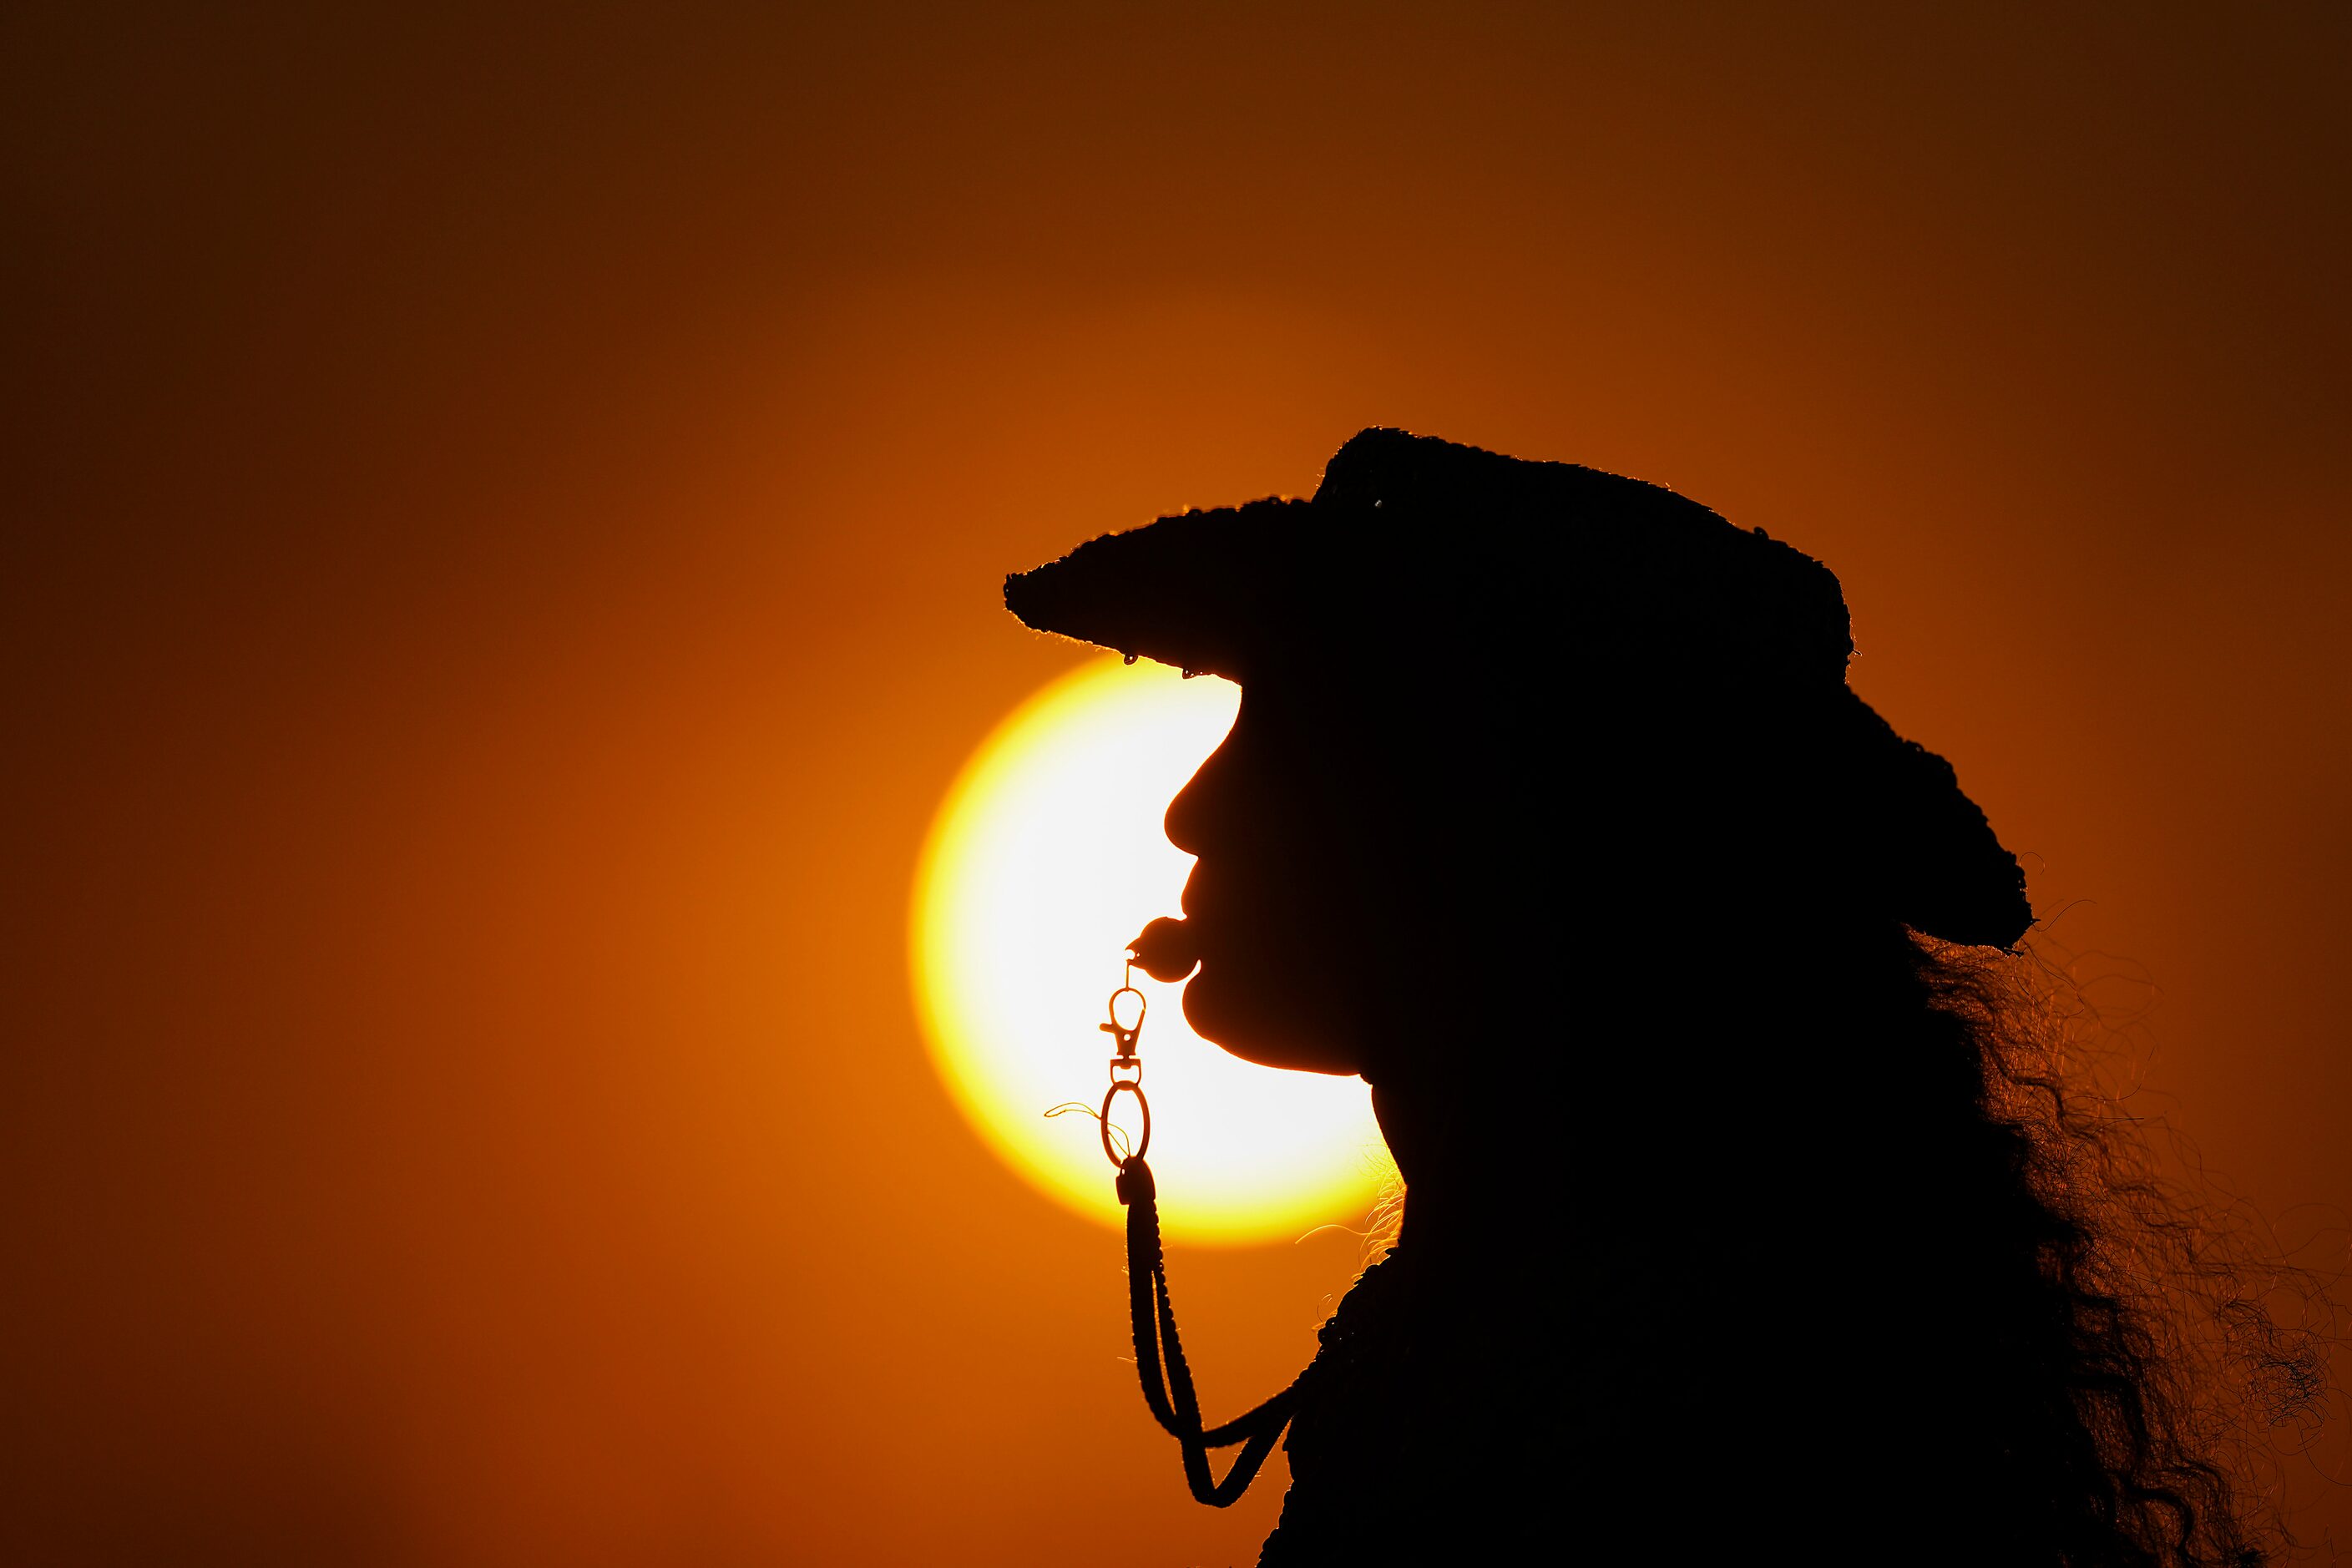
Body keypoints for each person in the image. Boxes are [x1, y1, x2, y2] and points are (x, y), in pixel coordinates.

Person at [1004, 428, 2270, 1566]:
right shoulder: (1545, 1318)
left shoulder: (1705, 1395)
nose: (1192, 807)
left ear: (1510, 823)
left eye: (1302, 738)